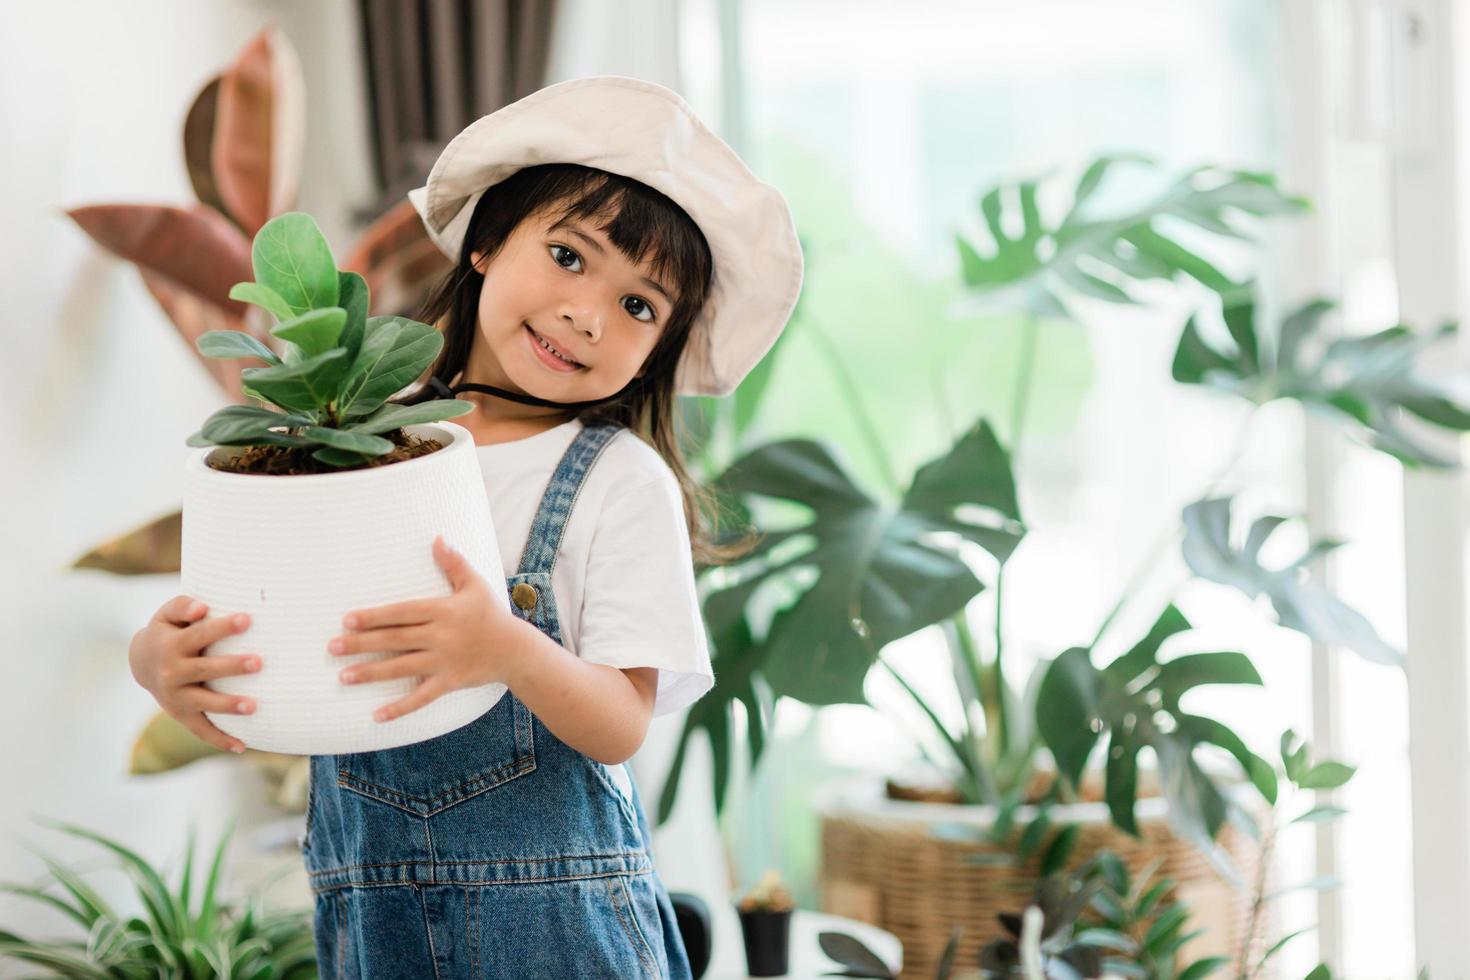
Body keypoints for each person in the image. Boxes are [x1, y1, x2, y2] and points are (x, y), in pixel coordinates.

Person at [126, 74, 803, 978]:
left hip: (562, 936)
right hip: (372, 923)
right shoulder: (353, 438)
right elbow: (279, 633)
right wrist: (162, 663)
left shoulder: (619, 481)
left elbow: (620, 724)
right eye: (569, 256)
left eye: (639, 306)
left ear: (659, 352)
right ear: (485, 241)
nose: (587, 314)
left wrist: (507, 649)